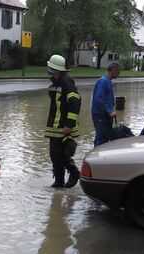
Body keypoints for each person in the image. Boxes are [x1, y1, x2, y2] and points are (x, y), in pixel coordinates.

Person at [45, 55, 82, 188]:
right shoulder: (57, 82)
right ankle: (59, 181)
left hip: (63, 126)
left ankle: (74, 173)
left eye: (50, 68)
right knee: (55, 155)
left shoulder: (67, 82)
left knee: (60, 154)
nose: (48, 71)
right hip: (56, 126)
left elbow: (75, 103)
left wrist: (68, 125)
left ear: (55, 70)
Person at [91, 63, 121, 146]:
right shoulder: (103, 81)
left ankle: (95, 156)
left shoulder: (107, 81)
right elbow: (98, 99)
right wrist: (109, 111)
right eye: (118, 73)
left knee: (101, 137)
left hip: (104, 115)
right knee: (102, 140)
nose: (118, 75)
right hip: (101, 115)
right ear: (113, 71)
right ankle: (98, 157)